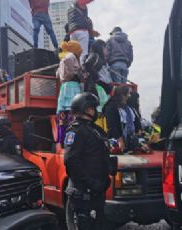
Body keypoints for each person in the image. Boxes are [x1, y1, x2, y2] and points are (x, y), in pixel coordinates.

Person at [64, 93, 111, 230]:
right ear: (84, 109)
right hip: (83, 192)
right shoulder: (76, 131)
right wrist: (90, 182)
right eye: (92, 108)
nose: (95, 111)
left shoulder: (94, 130)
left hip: (96, 191)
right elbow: (71, 160)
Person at [56, 40, 83, 144]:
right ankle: (71, 141)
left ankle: (62, 140)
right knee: (73, 114)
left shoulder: (63, 58)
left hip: (64, 87)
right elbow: (73, 72)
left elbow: (57, 75)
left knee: (63, 117)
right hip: (72, 87)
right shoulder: (71, 56)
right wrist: (74, 73)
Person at [103, 85, 140, 152]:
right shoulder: (111, 107)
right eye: (128, 93)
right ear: (122, 95)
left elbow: (136, 124)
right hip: (116, 140)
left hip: (131, 142)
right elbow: (112, 126)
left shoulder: (130, 108)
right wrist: (119, 140)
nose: (129, 96)